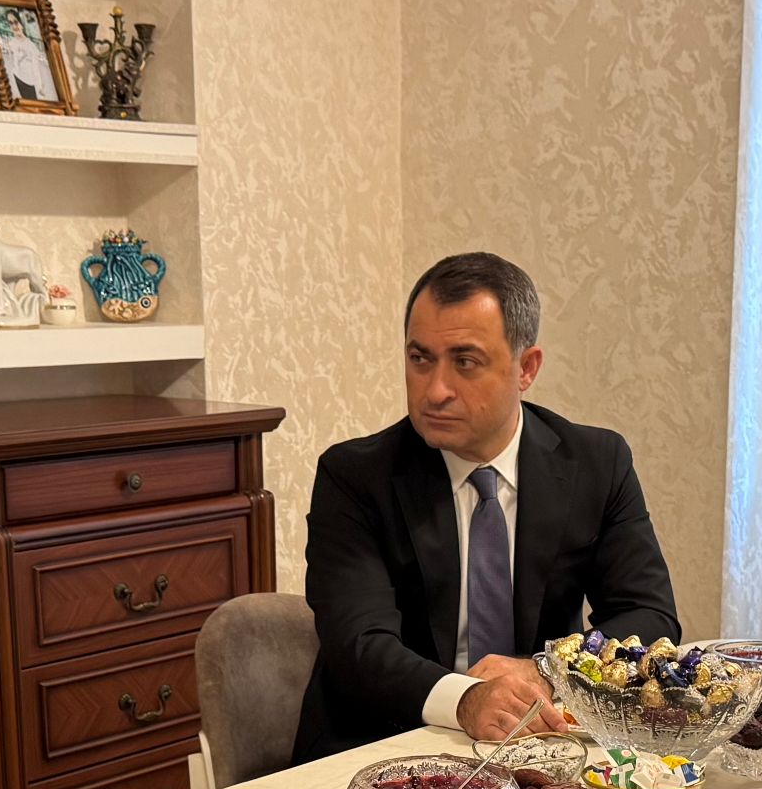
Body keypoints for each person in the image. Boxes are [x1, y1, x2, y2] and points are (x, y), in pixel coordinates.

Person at [292, 251, 681, 757]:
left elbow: (649, 615)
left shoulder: (595, 463)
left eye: (465, 362)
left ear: (526, 368)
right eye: (420, 359)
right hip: (384, 743)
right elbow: (360, 647)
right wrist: (466, 700)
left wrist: (543, 671)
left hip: (538, 741)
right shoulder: (355, 476)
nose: (436, 391)